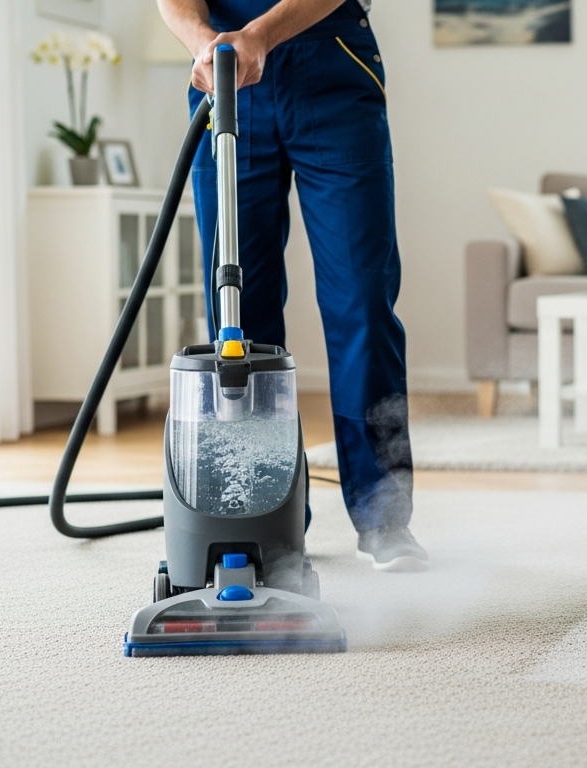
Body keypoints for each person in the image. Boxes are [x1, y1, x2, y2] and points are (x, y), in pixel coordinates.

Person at [159, 0, 427, 571]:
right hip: (227, 75)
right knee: (239, 312)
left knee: (361, 300)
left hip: (331, 62)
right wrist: (203, 40)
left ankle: (384, 517)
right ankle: (262, 521)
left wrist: (259, 34)